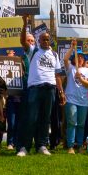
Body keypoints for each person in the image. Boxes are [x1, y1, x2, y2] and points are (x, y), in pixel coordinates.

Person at [17, 16, 64, 157]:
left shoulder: (54, 55)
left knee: (45, 119)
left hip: (50, 89)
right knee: (31, 118)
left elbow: (58, 75)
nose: (45, 41)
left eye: (47, 39)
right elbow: (23, 41)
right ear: (39, 41)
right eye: (42, 39)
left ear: (50, 41)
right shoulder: (33, 51)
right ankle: (24, 147)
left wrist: (61, 92)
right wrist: (25, 24)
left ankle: (42, 145)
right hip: (35, 88)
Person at [62, 40, 88, 153]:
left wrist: (80, 78)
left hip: (83, 101)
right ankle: (70, 146)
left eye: (81, 57)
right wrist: (72, 48)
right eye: (77, 56)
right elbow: (65, 59)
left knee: (81, 124)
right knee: (71, 123)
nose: (79, 58)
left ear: (84, 59)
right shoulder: (70, 68)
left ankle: (79, 145)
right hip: (71, 99)